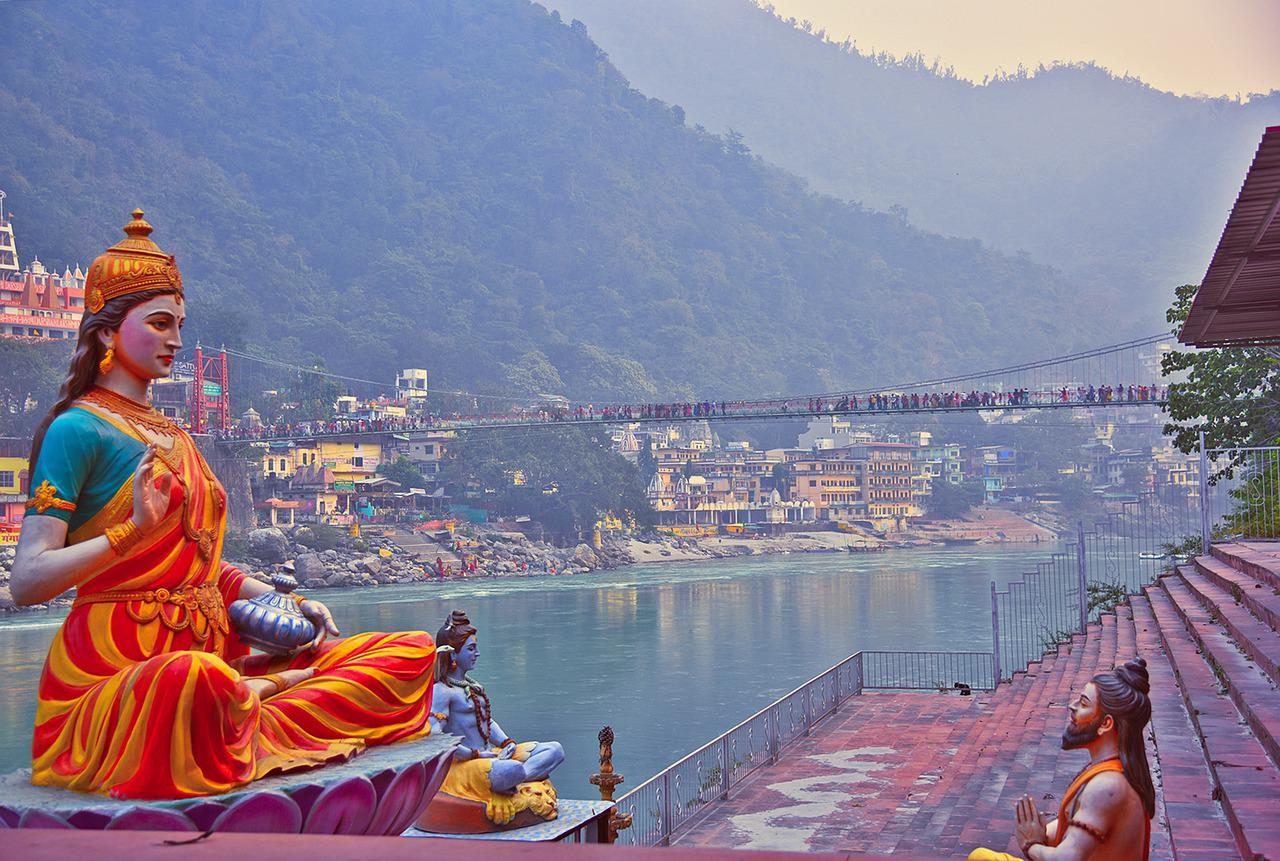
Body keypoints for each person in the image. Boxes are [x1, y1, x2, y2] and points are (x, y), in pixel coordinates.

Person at [10, 210, 435, 800]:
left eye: (180, 325)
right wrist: (132, 531)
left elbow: (207, 565)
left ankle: (261, 702)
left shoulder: (175, 435)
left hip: (215, 653)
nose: (176, 341)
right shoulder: (77, 430)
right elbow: (26, 581)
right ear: (107, 332)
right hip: (123, 677)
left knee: (407, 653)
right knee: (196, 681)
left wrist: (290, 603)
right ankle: (264, 699)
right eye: (159, 323)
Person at [969, 658, 1154, 860]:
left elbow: (1066, 858)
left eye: (1083, 704)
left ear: (1106, 724)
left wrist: (1030, 845)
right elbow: (1068, 828)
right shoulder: (1107, 773)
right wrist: (1039, 832)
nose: (1071, 707)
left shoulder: (1108, 786)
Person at [424, 610, 563, 828]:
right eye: (471, 649)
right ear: (452, 655)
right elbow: (436, 739)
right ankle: (516, 780)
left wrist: (507, 743)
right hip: (466, 764)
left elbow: (488, 722)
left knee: (554, 751)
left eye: (475, 648)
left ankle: (512, 782)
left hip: (492, 755)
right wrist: (475, 754)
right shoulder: (442, 691)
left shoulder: (473, 686)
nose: (477, 654)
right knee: (512, 770)